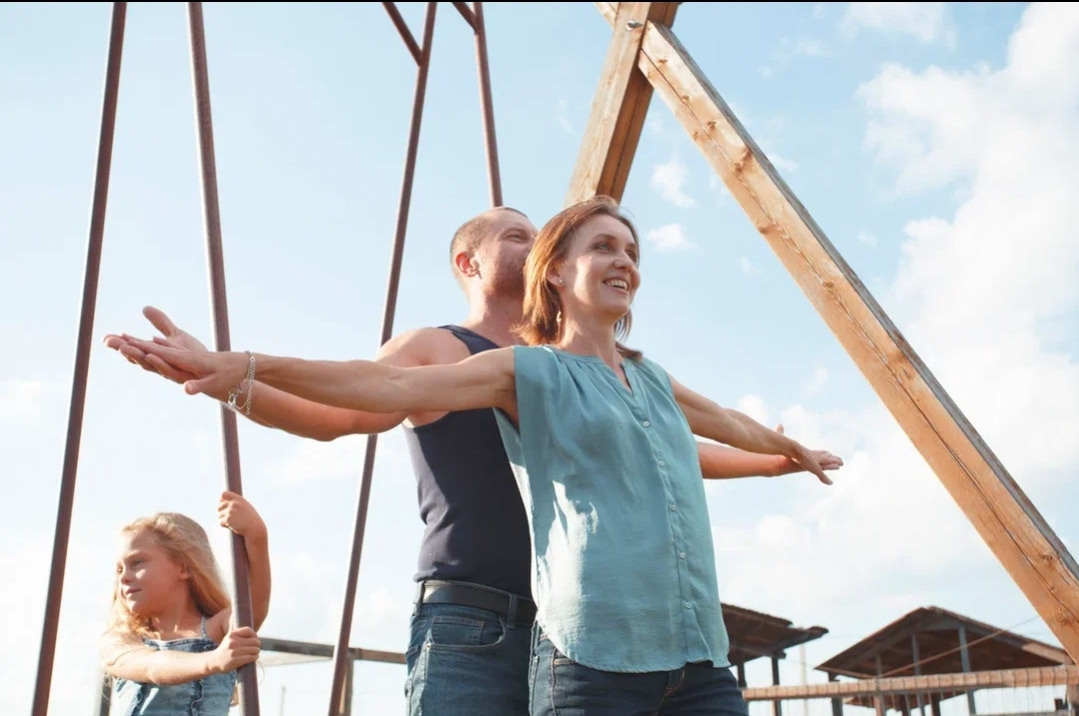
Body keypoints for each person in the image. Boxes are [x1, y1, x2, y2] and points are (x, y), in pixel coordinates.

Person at [116, 196, 842, 715]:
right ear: (469, 261)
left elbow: (666, 456)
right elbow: (346, 408)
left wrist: (778, 458)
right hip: (474, 617)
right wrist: (233, 377)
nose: (535, 243)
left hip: (574, 623)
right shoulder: (453, 350)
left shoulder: (594, 370)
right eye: (518, 235)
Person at [100, 491, 271, 715]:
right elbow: (152, 667)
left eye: (137, 562)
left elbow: (252, 604)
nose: (124, 577)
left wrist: (257, 536)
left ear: (183, 567)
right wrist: (214, 660)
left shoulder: (217, 631)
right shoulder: (119, 641)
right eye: (119, 569)